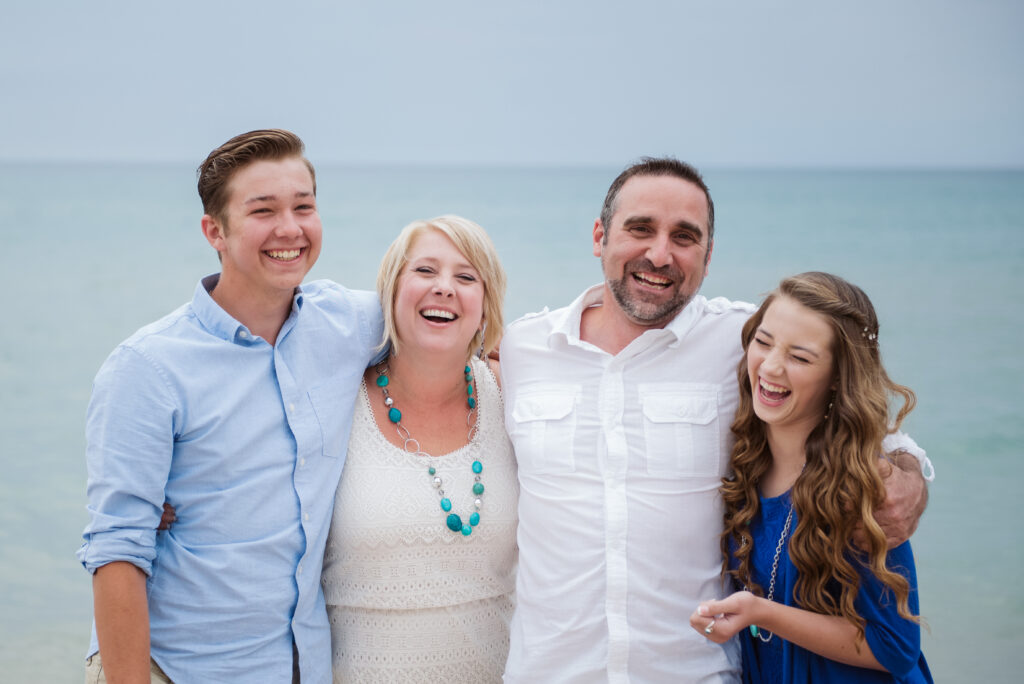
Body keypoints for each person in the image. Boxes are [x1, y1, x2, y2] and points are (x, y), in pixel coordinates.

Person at [498, 158, 932, 682]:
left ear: (707, 257)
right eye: (640, 229)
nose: (660, 254)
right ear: (599, 236)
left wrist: (908, 470)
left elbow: (847, 407)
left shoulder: (744, 341)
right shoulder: (524, 348)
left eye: (684, 237)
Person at [77, 129, 383, 683]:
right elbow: (117, 548)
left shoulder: (353, 323)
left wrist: (501, 352)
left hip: (304, 665)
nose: (289, 229)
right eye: (263, 211)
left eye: (303, 207)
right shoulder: (147, 367)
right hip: (182, 668)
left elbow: (446, 318)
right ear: (214, 231)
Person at [690, 272, 932, 683]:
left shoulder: (861, 483)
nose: (770, 367)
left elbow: (896, 645)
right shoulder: (745, 458)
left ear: (839, 376)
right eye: (763, 342)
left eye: (800, 358)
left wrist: (764, 614)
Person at [320, 216, 517, 682]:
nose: (445, 288)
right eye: (425, 271)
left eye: (466, 277)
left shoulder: (512, 395)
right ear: (390, 291)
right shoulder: (335, 402)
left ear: (486, 305)